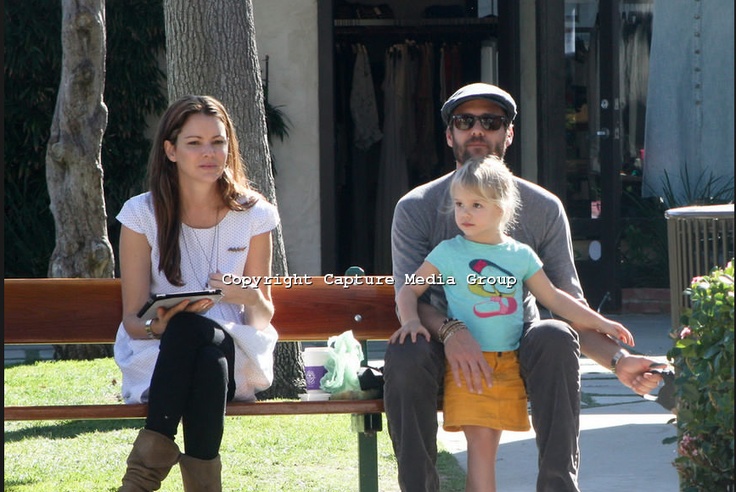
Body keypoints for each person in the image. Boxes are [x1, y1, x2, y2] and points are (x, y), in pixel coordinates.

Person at [384, 82, 665, 492]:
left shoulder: (542, 208)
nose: (478, 130)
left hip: (518, 348)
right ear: (450, 135)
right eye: (465, 121)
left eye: (491, 121)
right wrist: (451, 332)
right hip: (440, 348)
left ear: (508, 133)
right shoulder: (416, 207)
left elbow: (563, 303)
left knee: (553, 334)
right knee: (405, 352)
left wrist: (619, 358)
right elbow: (411, 294)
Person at [114, 95, 280, 491]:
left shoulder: (254, 214)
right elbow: (134, 321)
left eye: (218, 142)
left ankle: (138, 483)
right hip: (161, 354)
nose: (210, 153)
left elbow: (262, 317)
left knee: (194, 334)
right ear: (170, 150)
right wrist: (159, 328)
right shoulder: (141, 214)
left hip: (235, 348)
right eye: (195, 143)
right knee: (199, 352)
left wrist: (248, 297)